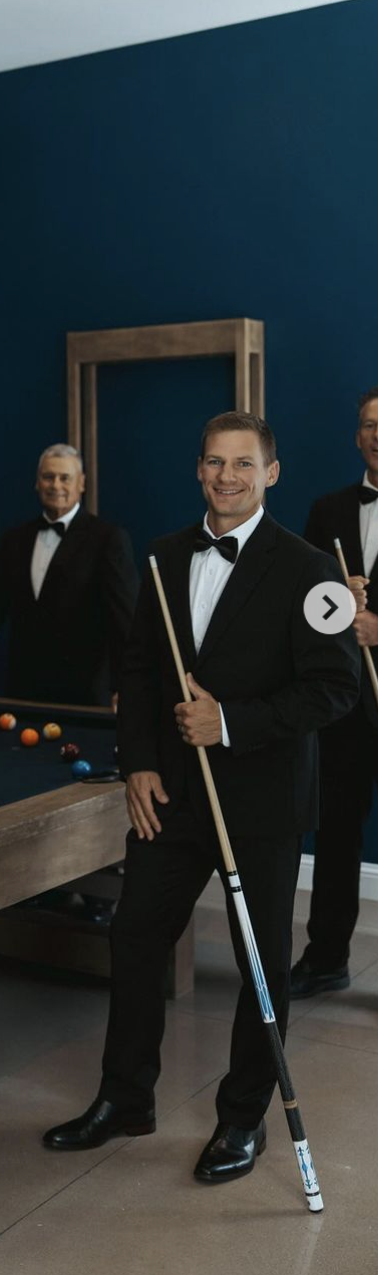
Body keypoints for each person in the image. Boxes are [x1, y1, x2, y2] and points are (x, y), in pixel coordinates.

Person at [43, 412, 359, 1185]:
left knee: (259, 966)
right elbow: (142, 672)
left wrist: (230, 723)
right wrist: (140, 765)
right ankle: (125, 1099)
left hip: (262, 800)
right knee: (135, 940)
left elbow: (336, 687)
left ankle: (242, 1118)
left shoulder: (311, 569)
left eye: (243, 465)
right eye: (215, 463)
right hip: (172, 796)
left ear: (271, 474)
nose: (227, 477)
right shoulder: (160, 556)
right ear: (199, 470)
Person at [290, 385, 378, 997]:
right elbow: (302, 606)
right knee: (338, 834)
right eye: (371, 424)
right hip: (347, 707)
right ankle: (325, 960)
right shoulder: (328, 510)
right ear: (357, 435)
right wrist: (337, 599)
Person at [0, 444, 138, 708]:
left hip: (84, 696)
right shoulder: (14, 541)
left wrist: (126, 687)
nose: (56, 485)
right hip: (23, 692)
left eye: (65, 478)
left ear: (81, 484)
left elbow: (126, 622)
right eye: (48, 477)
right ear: (37, 483)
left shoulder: (108, 539)